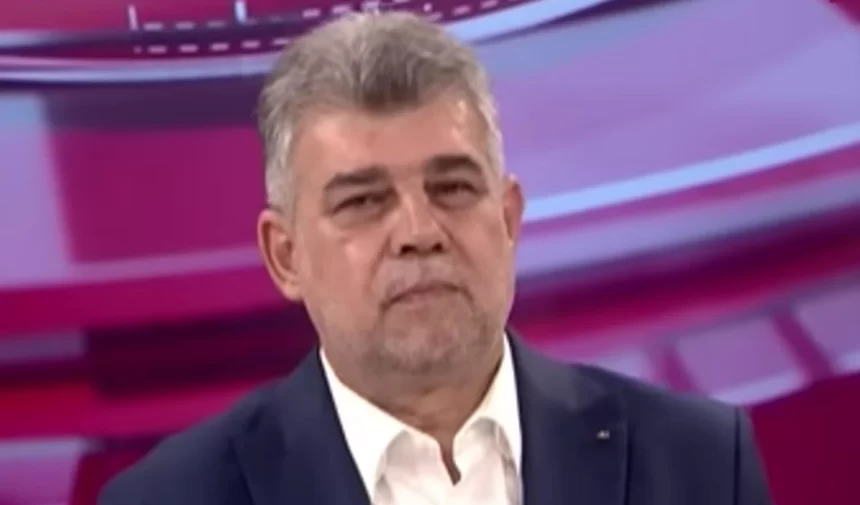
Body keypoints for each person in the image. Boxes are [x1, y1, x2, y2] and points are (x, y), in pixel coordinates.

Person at [99, 11, 772, 505]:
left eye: (452, 187)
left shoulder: (701, 462)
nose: (419, 232)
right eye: (363, 201)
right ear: (286, 256)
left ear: (507, 218)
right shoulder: (169, 498)